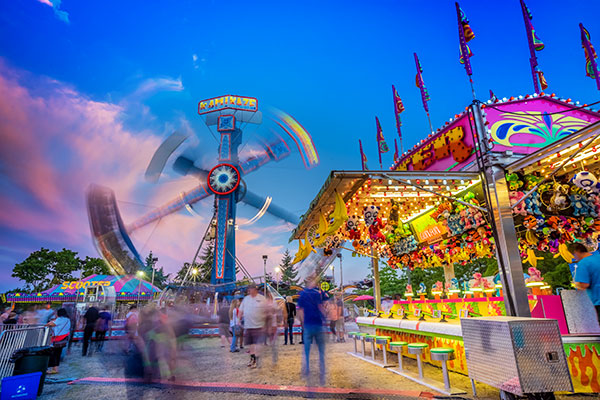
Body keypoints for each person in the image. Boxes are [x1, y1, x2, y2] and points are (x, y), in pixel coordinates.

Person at [297, 274, 327, 385]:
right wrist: (325, 318)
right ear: (313, 283)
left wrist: (302, 322)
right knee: (321, 350)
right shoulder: (317, 294)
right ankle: (322, 369)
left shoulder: (303, 294)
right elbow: (321, 307)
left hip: (308, 325)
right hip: (318, 324)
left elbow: (300, 310)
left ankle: (307, 369)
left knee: (306, 350)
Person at [570, 243, 600, 322]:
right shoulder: (598, 257)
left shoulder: (584, 263)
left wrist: (576, 284)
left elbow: (584, 284)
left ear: (576, 252)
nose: (574, 258)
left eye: (573, 255)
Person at [239, 284, 265, 368]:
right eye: (249, 289)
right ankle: (252, 359)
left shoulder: (261, 298)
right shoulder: (246, 299)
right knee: (251, 344)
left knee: (258, 344)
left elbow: (266, 310)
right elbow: (241, 310)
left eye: (251, 289)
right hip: (249, 325)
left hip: (259, 325)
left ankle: (258, 360)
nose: (249, 291)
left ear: (255, 289)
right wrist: (239, 320)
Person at [46, 308, 71, 374]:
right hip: (63, 339)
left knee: (53, 354)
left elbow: (50, 324)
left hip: (57, 339)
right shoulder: (68, 320)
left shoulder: (60, 319)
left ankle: (50, 369)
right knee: (58, 354)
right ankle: (56, 368)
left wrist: (49, 322)